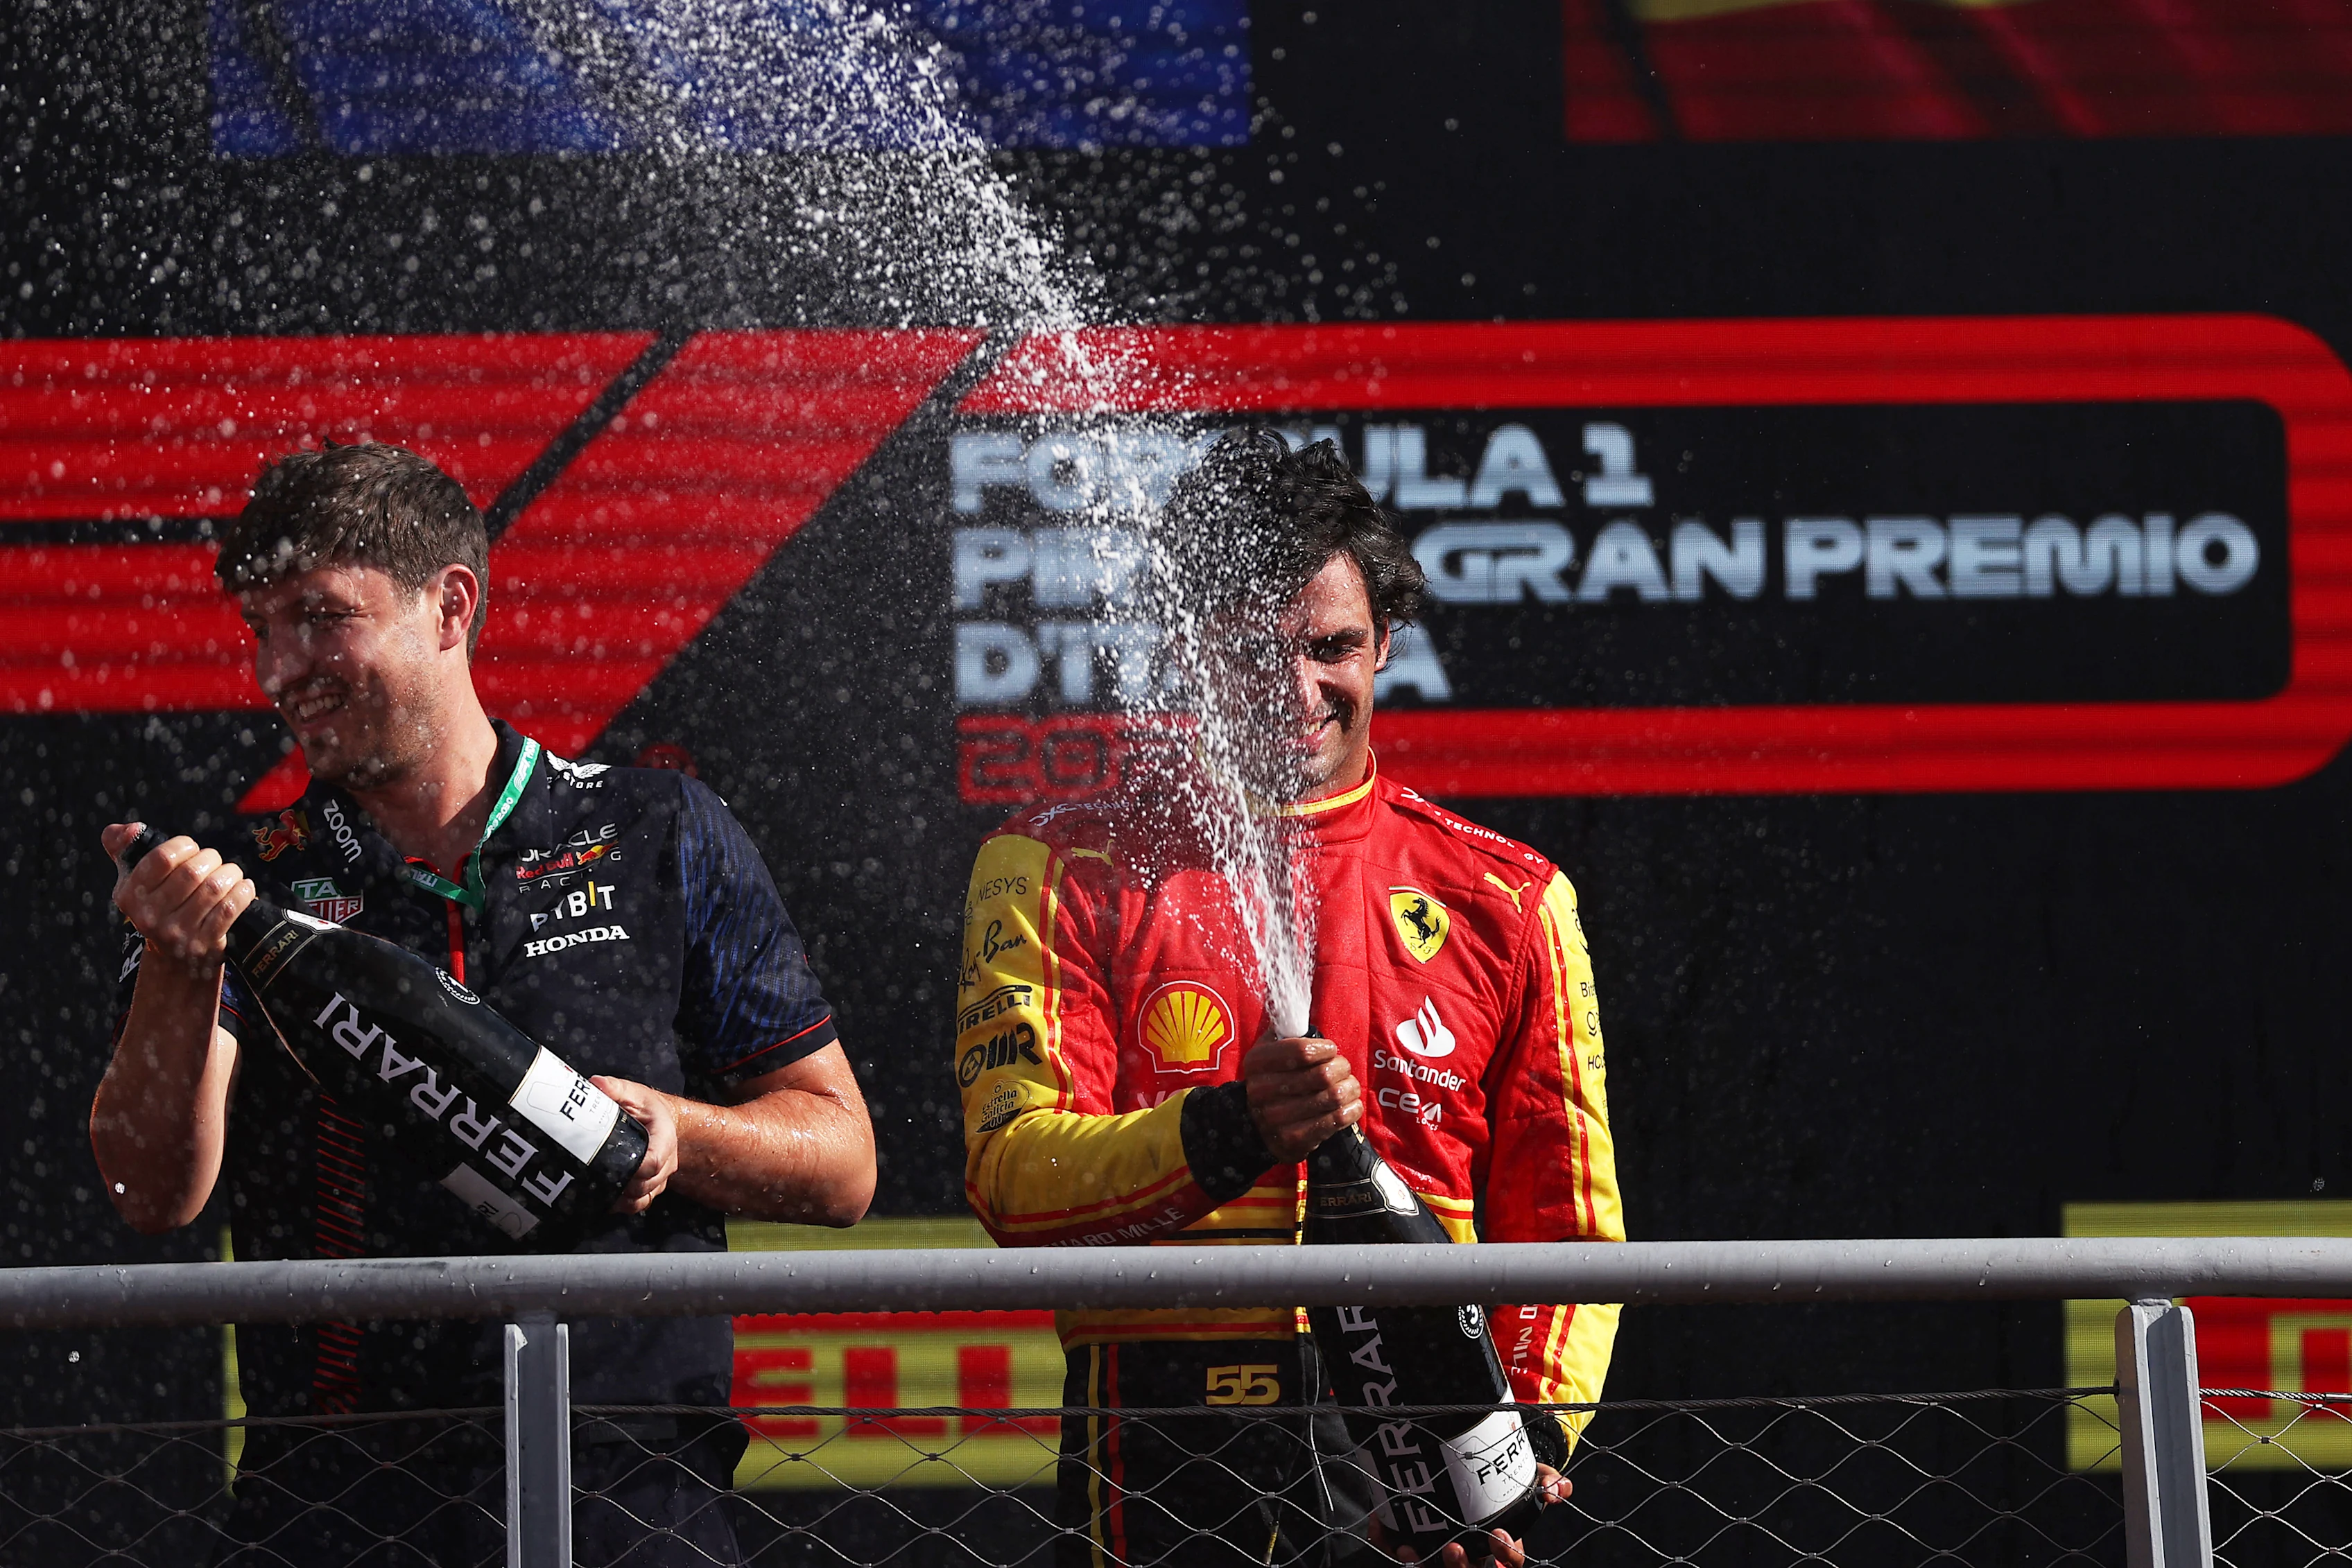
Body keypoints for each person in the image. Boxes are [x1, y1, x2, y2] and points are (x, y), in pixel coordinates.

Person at [93, 441, 876, 1567]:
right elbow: (148, 1191)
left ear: (450, 604)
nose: (282, 667)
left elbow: (843, 1162)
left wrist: (674, 1130)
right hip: (336, 1502)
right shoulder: (229, 876)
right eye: (260, 627)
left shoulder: (660, 828)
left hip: (629, 1484)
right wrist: (179, 964)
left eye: (320, 615)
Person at [955, 428, 1625, 1567]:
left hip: (1426, 1438)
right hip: (1156, 1425)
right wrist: (1230, 1130)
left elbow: (1567, 1227)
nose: (1300, 688)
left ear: (1385, 645)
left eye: (1333, 647)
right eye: (1252, 653)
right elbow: (1013, 1177)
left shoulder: (1512, 899)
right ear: (1183, 651)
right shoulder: (1051, 865)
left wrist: (1525, 1437)